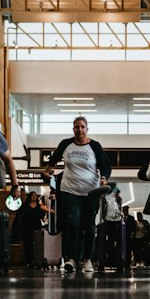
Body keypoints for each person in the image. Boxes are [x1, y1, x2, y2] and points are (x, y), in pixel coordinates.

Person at [43, 116, 112, 278]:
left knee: (89, 226)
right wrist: (47, 170)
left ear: (87, 129)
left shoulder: (94, 146)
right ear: (73, 129)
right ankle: (72, 259)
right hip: (69, 190)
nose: (79, 129)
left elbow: (105, 166)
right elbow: (53, 159)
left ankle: (87, 259)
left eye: (82, 127)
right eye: (76, 127)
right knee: (73, 223)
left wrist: (104, 178)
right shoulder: (66, 144)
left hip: (91, 192)